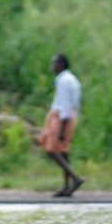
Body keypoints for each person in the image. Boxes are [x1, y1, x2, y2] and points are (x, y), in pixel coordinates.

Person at [39, 53, 83, 197]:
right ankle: (66, 186)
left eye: (54, 63)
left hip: (62, 116)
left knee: (52, 149)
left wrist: (63, 128)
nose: (52, 66)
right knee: (63, 151)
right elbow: (75, 104)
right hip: (70, 115)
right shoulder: (73, 79)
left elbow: (65, 103)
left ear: (61, 64)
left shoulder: (63, 81)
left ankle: (75, 178)